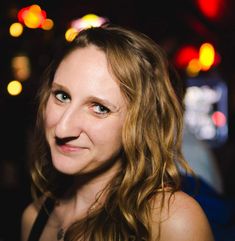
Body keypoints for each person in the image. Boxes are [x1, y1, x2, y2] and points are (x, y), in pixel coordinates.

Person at [21, 24, 214, 241]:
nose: (63, 128)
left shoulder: (173, 222)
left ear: (139, 124)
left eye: (100, 108)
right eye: (62, 96)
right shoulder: (34, 217)